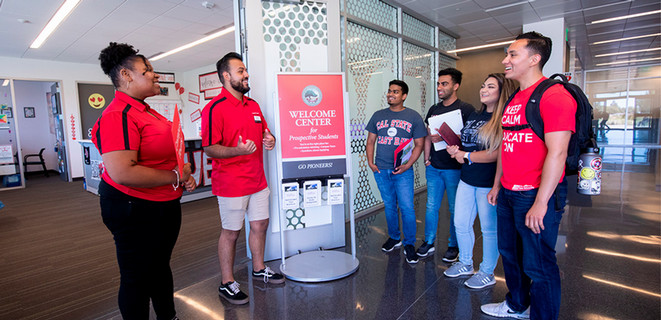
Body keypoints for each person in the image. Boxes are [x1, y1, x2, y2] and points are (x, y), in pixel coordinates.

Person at [92, 42, 196, 320]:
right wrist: (175, 176)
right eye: (147, 70)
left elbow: (159, 153)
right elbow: (123, 172)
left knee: (159, 267)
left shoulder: (145, 110)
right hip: (133, 207)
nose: (155, 75)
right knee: (137, 276)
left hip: (162, 203)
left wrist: (181, 172)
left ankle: (168, 316)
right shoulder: (118, 115)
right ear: (126, 76)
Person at [480, 32, 576, 320]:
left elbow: (557, 154)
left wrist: (541, 202)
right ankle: (517, 305)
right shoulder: (515, 98)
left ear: (535, 59)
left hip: (534, 195)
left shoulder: (555, 96)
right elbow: (506, 147)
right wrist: (498, 183)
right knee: (510, 255)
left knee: (539, 264)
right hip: (509, 193)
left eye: (512, 55)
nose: (505, 60)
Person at [201, 52, 284, 305]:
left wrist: (270, 140)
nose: (246, 74)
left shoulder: (254, 105)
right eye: (240, 71)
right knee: (231, 232)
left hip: (258, 181)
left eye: (245, 70)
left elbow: (265, 133)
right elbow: (209, 147)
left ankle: (259, 269)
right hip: (231, 184)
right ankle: (227, 282)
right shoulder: (214, 108)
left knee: (260, 225)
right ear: (226, 76)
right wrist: (236, 150)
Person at [443, 73, 517, 290]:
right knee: (460, 223)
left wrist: (466, 156)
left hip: (488, 182)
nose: (483, 90)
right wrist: (456, 149)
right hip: (467, 178)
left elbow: (498, 153)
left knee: (489, 229)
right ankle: (465, 262)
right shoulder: (475, 115)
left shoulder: (504, 119)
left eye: (490, 87)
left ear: (502, 92)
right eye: (483, 85)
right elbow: (468, 144)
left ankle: (487, 272)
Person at [366, 80, 426, 264]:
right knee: (390, 205)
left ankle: (409, 243)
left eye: (395, 92)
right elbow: (370, 141)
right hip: (381, 169)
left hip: (402, 171)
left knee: (407, 207)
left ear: (404, 96)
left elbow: (419, 144)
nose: (390, 94)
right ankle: (394, 237)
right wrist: (370, 162)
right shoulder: (378, 115)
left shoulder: (413, 116)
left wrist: (408, 165)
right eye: (389, 91)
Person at [418, 68, 474, 261]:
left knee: (454, 209)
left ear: (456, 86)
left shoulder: (466, 109)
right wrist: (426, 159)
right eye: (438, 84)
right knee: (431, 206)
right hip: (434, 167)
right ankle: (429, 241)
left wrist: (444, 135)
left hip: (454, 169)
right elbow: (427, 136)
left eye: (444, 84)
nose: (440, 87)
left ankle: (453, 245)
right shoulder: (434, 109)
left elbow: (470, 139)